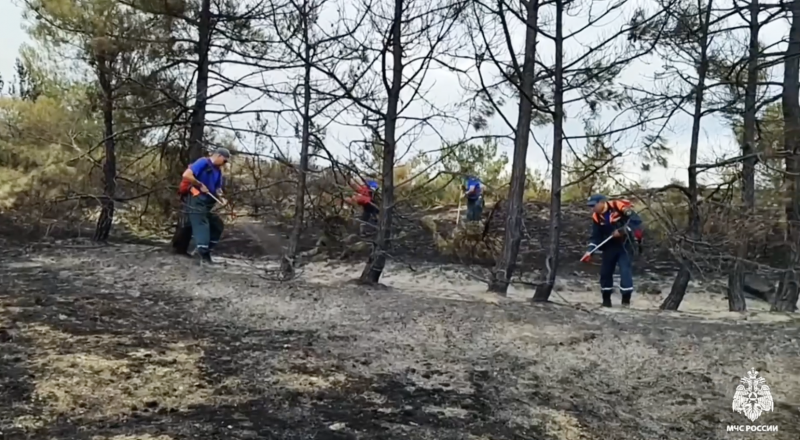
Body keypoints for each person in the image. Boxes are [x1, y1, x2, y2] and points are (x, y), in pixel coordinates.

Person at [581, 194, 644, 308]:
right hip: (609, 247)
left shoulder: (618, 207)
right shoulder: (596, 217)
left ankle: (625, 302)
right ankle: (606, 302)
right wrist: (590, 250)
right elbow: (596, 237)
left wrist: (621, 231)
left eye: (593, 205)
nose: (592, 209)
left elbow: (636, 222)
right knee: (605, 272)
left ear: (601, 202)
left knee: (625, 271)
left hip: (625, 245)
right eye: (590, 206)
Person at [178, 148, 229, 264]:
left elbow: (217, 188)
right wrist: (200, 184)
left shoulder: (218, 171)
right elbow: (187, 175)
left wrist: (222, 198)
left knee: (217, 225)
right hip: (196, 199)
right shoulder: (203, 162)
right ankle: (202, 255)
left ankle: (204, 252)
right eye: (224, 161)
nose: (224, 163)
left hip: (208, 203)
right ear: (218, 156)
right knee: (202, 224)